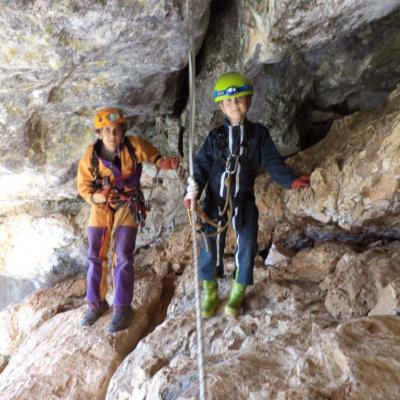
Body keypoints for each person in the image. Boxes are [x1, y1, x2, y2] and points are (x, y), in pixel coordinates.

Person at [184, 72, 310, 318]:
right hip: (214, 200)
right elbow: (199, 167)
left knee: (248, 242)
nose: (235, 105)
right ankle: (210, 292)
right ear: (221, 106)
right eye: (229, 102)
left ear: (249, 100)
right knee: (210, 243)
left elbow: (272, 161)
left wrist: (289, 180)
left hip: (243, 199)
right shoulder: (215, 137)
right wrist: (192, 192)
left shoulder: (258, 134)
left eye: (239, 99)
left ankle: (237, 293)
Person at [77, 107, 179, 333]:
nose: (113, 135)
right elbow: (83, 187)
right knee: (96, 254)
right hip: (101, 206)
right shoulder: (90, 157)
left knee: (122, 254)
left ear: (123, 131)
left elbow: (154, 156)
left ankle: (122, 308)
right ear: (100, 133)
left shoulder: (134, 146)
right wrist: (97, 196)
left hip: (128, 204)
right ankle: (96, 303)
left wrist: (163, 162)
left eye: (117, 130)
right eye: (108, 131)